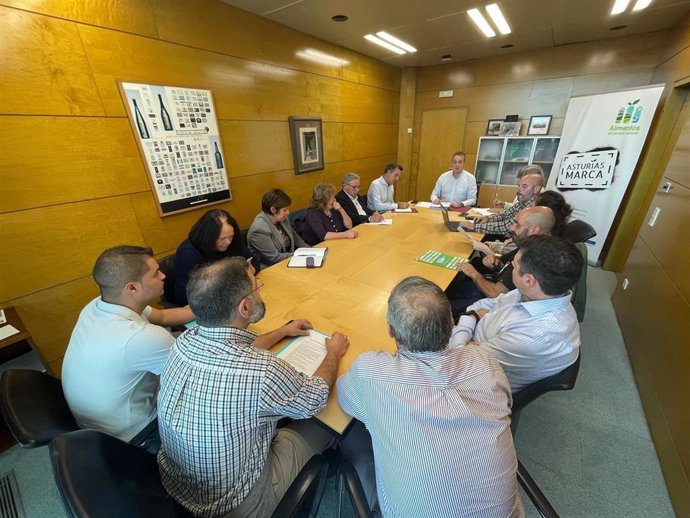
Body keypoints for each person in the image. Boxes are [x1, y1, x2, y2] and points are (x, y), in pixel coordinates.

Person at [157, 257, 349, 517]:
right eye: (256, 288)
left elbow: (233, 348)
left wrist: (282, 331)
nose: (259, 291)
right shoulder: (260, 370)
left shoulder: (182, 342)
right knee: (330, 424)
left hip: (180, 485)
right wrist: (334, 354)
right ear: (245, 307)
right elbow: (315, 398)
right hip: (238, 504)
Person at [337, 276, 524, 517]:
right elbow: (506, 404)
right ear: (451, 325)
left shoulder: (372, 372)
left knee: (350, 433)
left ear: (391, 331)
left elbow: (344, 396)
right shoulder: (484, 362)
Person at [62, 246, 194, 442]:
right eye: (156, 273)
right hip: (133, 436)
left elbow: (164, 316)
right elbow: (201, 375)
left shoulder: (100, 305)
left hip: (92, 426)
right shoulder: (140, 337)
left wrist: (209, 306)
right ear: (132, 287)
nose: (164, 276)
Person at [450, 235, 582, 392]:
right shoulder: (535, 293)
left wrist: (468, 319)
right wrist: (471, 319)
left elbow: (457, 362)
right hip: (469, 345)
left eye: (513, 266)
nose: (510, 269)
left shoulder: (536, 336)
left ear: (528, 280)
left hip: (474, 386)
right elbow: (485, 304)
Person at [447, 206, 556, 316]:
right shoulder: (528, 244)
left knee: (447, 305)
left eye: (517, 225)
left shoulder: (531, 255)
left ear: (534, 230)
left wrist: (473, 273)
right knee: (450, 290)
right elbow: (505, 267)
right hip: (492, 285)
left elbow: (495, 293)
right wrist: (496, 264)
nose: (511, 228)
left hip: (493, 301)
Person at [170, 209, 257, 306]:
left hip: (234, 298)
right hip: (205, 307)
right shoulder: (188, 253)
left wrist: (251, 270)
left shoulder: (233, 241)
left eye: (231, 236)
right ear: (208, 236)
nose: (228, 242)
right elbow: (186, 295)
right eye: (222, 238)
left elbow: (254, 262)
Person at [460, 164, 544, 238]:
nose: (519, 190)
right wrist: (487, 219)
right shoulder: (524, 201)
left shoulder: (532, 207)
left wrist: (475, 227)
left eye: (524, 186)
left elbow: (508, 226)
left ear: (536, 189)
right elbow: (505, 215)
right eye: (519, 186)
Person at [247, 188, 308, 267]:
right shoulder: (259, 229)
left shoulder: (282, 218)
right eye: (285, 210)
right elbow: (274, 258)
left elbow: (295, 237)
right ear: (273, 209)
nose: (288, 213)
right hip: (269, 267)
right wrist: (301, 255)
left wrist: (308, 249)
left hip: (288, 260)